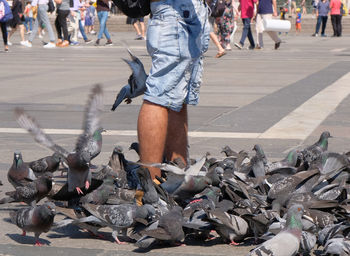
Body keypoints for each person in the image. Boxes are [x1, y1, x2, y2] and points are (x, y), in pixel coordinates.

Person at [137, 0, 210, 181]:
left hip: (189, 11)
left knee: (178, 97)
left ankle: (176, 176)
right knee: (160, 95)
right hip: (175, 12)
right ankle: (150, 185)